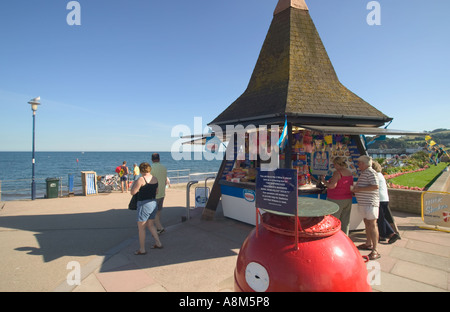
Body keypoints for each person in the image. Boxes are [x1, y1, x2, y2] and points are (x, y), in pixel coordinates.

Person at [130, 162, 163, 255]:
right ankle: (158, 243)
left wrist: (134, 185)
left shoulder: (141, 179)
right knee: (151, 225)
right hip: (153, 203)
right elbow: (157, 191)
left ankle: (142, 249)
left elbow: (133, 192)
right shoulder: (155, 179)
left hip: (144, 204)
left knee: (141, 228)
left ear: (141, 170)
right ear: (149, 169)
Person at [352, 155, 381, 260]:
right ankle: (368, 243)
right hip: (365, 203)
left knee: (372, 225)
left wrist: (359, 190)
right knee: (367, 224)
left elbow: (375, 186)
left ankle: (375, 249)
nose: (358, 164)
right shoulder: (365, 172)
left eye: (359, 163)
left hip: (370, 203)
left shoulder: (370, 172)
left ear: (364, 163)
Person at [321, 157, 354, 235]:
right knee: (345, 221)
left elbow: (332, 186)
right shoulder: (349, 172)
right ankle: (345, 238)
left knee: (333, 220)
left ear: (336, 164)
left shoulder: (337, 173)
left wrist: (324, 181)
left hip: (336, 199)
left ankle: (333, 237)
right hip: (348, 198)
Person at [372, 161, 400, 244]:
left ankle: (391, 233)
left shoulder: (376, 175)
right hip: (384, 198)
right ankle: (383, 234)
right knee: (381, 217)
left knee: (381, 218)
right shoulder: (380, 175)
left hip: (379, 199)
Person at [150, 153, 168, 234]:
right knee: (158, 211)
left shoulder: (150, 168)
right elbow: (165, 180)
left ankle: (160, 228)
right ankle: (158, 227)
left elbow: (148, 181)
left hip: (154, 193)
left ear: (152, 159)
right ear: (159, 159)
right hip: (162, 192)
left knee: (153, 212)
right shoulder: (164, 168)